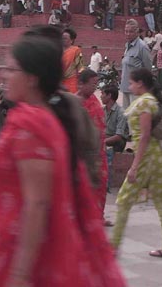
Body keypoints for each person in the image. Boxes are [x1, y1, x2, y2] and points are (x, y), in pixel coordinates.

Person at [0, 36, 126, 286]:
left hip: (23, 252)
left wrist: (20, 274)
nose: (6, 76)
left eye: (12, 70)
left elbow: (37, 203)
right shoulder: (34, 116)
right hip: (10, 242)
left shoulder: (30, 125)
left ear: (32, 77)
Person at [111, 68, 162, 259]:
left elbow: (143, 137)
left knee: (124, 200)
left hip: (146, 160)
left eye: (131, 83)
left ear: (140, 83)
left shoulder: (144, 103)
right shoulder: (154, 102)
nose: (130, 86)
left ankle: (113, 246)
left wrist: (134, 167)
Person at [76, 69, 108, 220]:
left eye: (96, 84)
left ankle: (98, 217)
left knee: (100, 184)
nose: (95, 87)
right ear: (81, 84)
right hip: (83, 153)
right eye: (92, 84)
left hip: (99, 151)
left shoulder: (95, 100)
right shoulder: (75, 102)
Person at [101, 85, 129, 194]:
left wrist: (102, 142)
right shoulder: (102, 110)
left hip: (117, 141)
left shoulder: (121, 112)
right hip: (106, 138)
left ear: (109, 96)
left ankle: (106, 185)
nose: (101, 96)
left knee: (107, 151)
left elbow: (119, 136)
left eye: (103, 94)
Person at [120, 19, 152, 108]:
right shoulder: (127, 46)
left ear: (137, 32)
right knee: (126, 117)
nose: (128, 34)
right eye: (126, 31)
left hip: (137, 90)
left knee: (136, 118)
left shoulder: (142, 47)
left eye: (130, 32)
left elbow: (148, 69)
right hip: (125, 87)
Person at [61, 28, 83, 93]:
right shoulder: (57, 50)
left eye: (65, 38)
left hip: (71, 82)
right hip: (58, 82)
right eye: (62, 38)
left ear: (72, 40)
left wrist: (81, 81)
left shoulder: (76, 50)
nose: (62, 40)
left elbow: (80, 67)